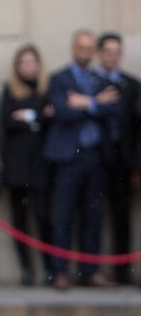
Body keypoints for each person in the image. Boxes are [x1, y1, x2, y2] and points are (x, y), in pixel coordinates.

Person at [44, 29, 120, 290]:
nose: (85, 52)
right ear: (73, 48)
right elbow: (61, 112)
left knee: (93, 216)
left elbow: (113, 108)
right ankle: (60, 271)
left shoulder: (100, 79)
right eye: (81, 47)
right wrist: (96, 103)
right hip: (68, 157)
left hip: (96, 156)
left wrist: (83, 102)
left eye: (89, 48)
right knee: (63, 215)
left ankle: (90, 271)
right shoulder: (59, 78)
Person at [0, 44, 53, 285]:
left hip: (41, 165)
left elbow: (50, 117)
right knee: (20, 220)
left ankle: (49, 268)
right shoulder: (10, 90)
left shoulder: (45, 89)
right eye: (23, 62)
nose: (27, 67)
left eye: (31, 62)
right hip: (17, 166)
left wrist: (28, 115)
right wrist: (37, 117)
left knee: (43, 217)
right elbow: (7, 121)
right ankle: (26, 269)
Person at [95, 33, 138, 285]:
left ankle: (122, 273)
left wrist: (136, 166)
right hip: (95, 159)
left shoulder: (131, 84)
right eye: (108, 51)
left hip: (122, 162)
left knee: (122, 217)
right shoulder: (90, 82)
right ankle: (90, 272)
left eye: (116, 52)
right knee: (92, 215)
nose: (112, 57)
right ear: (100, 53)